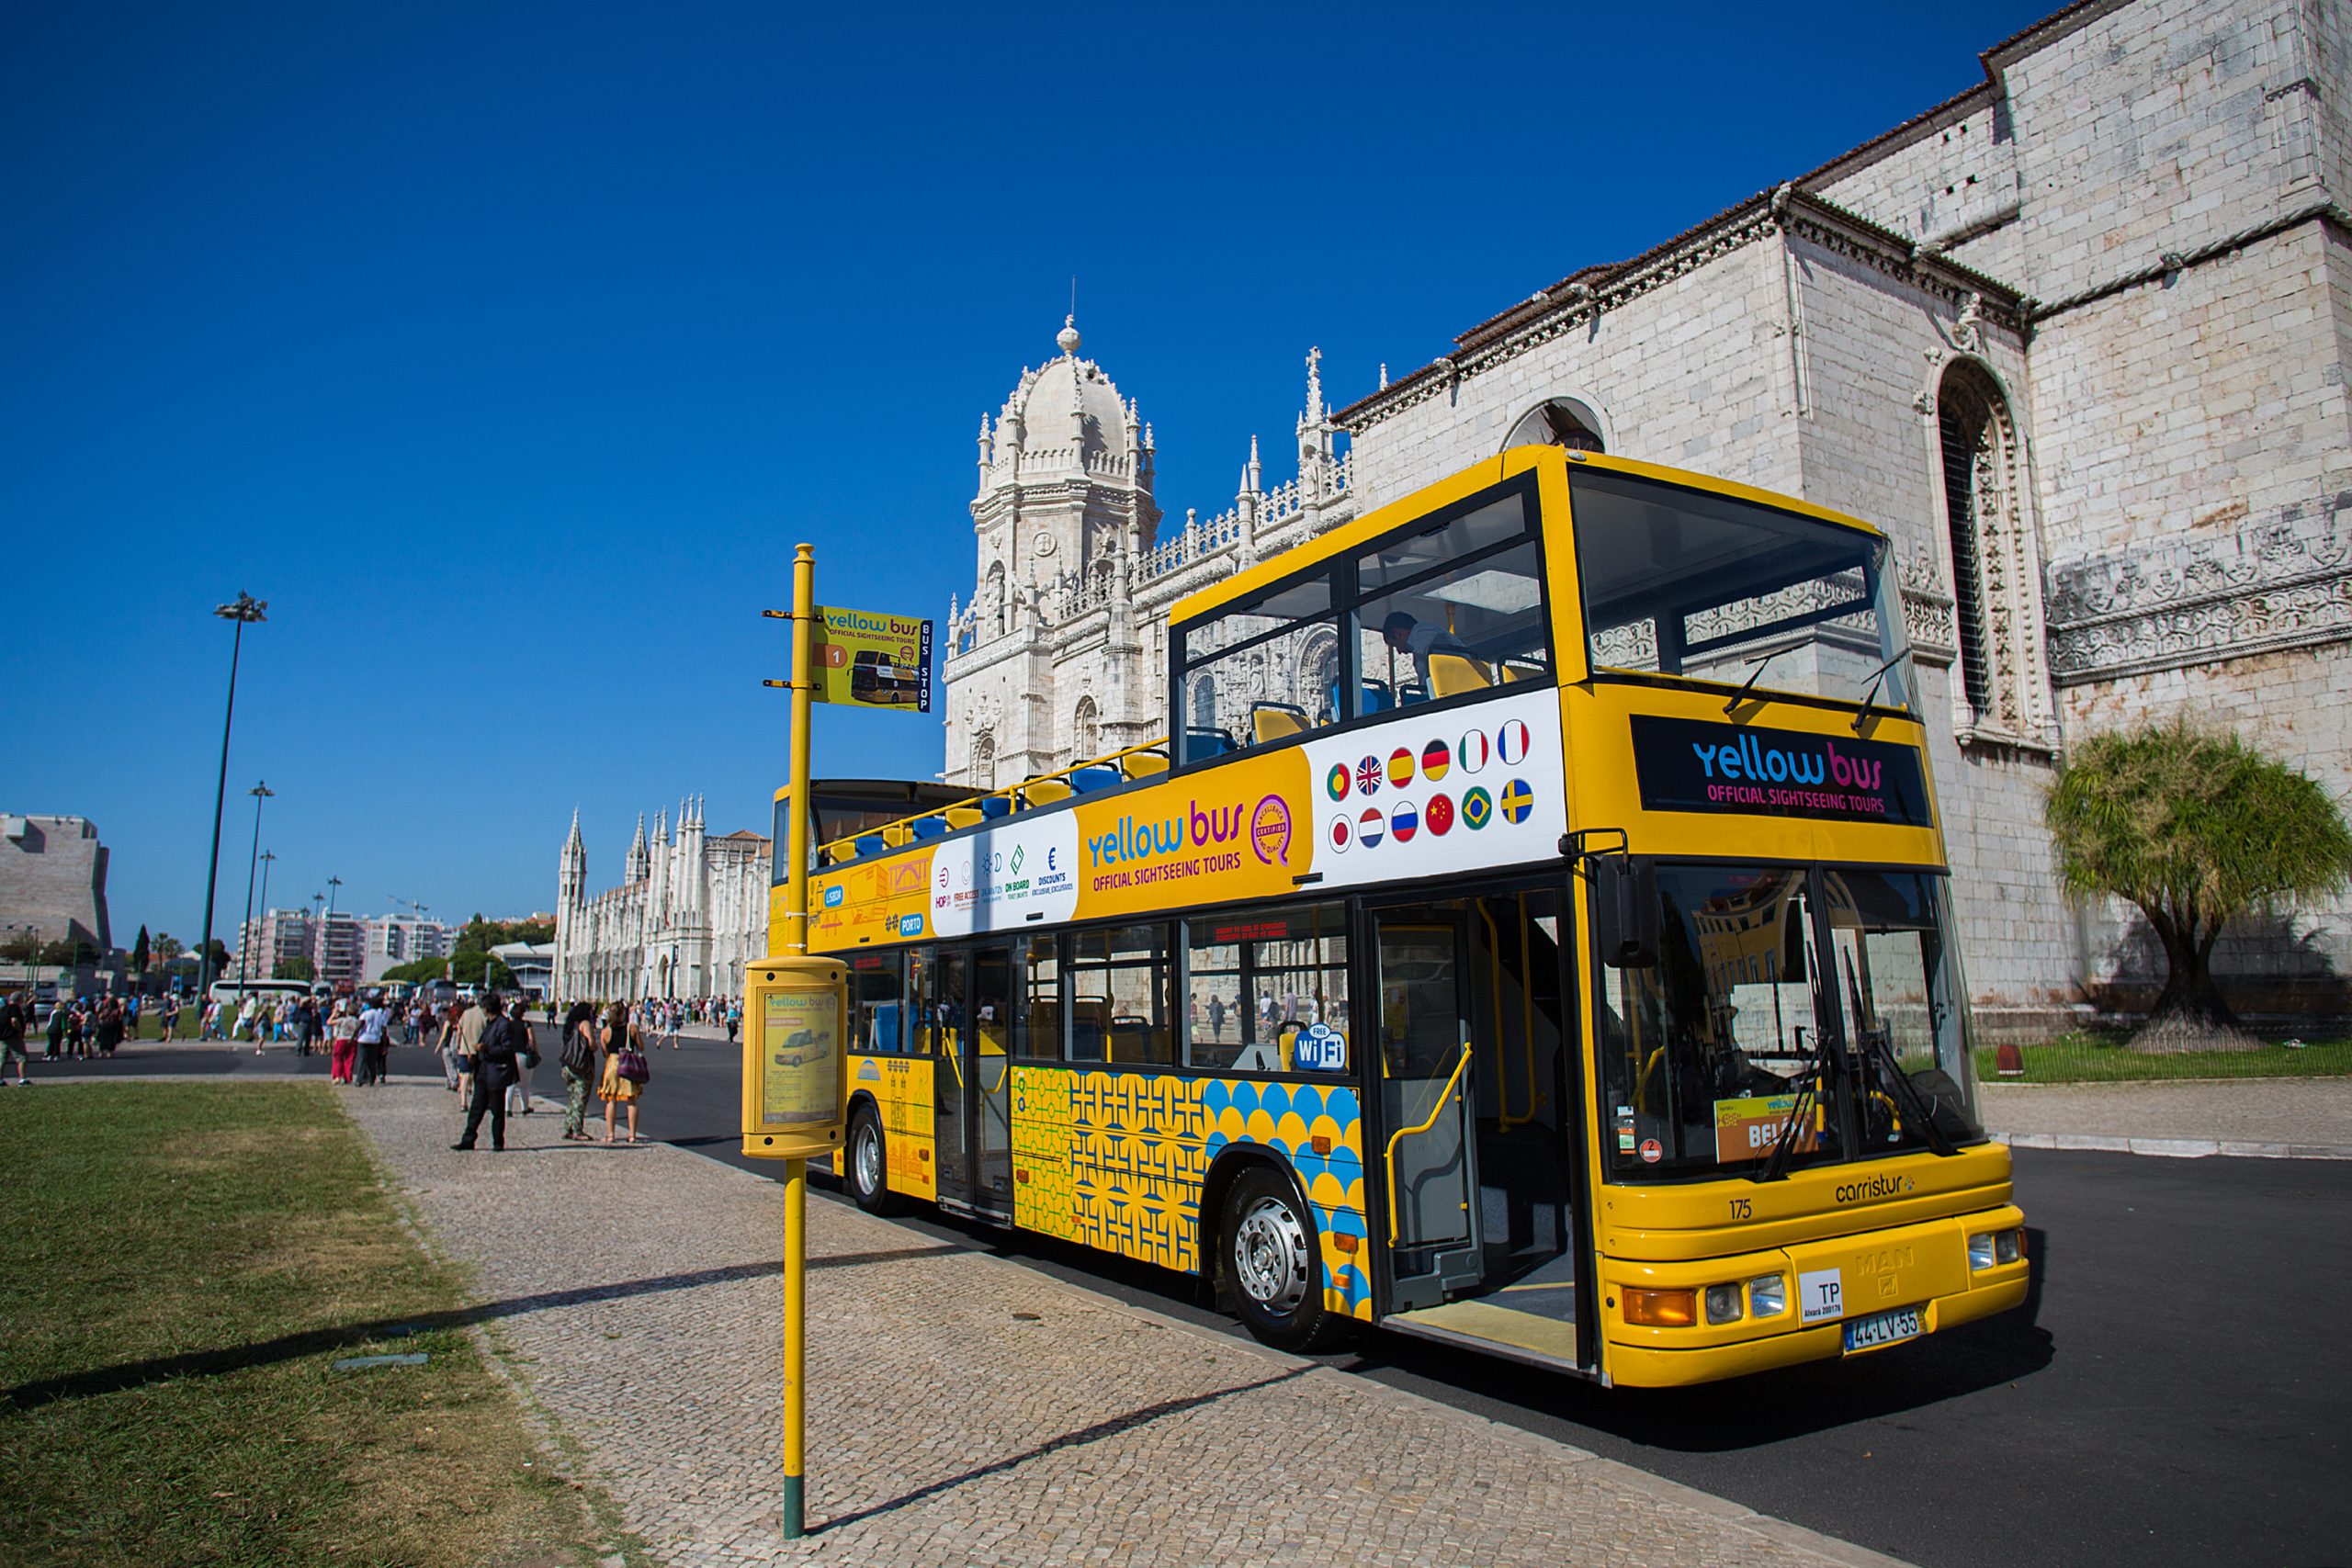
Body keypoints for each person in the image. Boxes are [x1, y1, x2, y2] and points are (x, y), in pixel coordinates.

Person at [452, 994, 521, 1152]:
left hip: (496, 1073)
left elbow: (507, 1049)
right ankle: (468, 1139)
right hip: (483, 1071)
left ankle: (498, 1142)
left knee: (497, 1110)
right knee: (476, 1108)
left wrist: (487, 1049)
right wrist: (475, 1056)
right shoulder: (490, 1024)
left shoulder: (503, 1024)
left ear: (487, 1008)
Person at [1381, 610, 1471, 694]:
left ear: (1398, 634)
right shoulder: (1428, 633)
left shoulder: (1424, 637)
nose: (1399, 652)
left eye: (1394, 645)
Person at [598, 1000, 643, 1145]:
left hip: (612, 1063)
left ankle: (611, 1135)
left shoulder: (605, 1032)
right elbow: (641, 1046)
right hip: (627, 1063)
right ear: (623, 1013)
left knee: (611, 1100)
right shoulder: (632, 1028)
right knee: (632, 1100)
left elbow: (604, 1052)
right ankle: (632, 1135)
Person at [558, 1002, 599, 1141]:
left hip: (568, 1064)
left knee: (572, 1098)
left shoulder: (570, 1025)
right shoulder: (584, 1023)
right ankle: (577, 1130)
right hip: (581, 1065)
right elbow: (592, 1044)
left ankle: (568, 1126)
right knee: (581, 1098)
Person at [453, 992, 490, 1110]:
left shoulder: (466, 1013)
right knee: (478, 1077)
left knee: (465, 1076)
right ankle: (478, 1101)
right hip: (478, 1050)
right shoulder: (484, 1016)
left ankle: (463, 1102)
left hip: (465, 1049)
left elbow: (459, 1031)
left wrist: (458, 1045)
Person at [356, 994, 391, 1088]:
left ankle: (360, 1078)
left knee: (363, 1059)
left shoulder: (365, 1014)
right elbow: (384, 1030)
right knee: (372, 1060)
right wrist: (384, 1044)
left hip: (364, 1038)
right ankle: (371, 1078)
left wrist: (353, 1037)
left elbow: (360, 1025)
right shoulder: (380, 1015)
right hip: (375, 1039)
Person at [506, 1005, 537, 1116]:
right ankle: (525, 1107)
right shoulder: (526, 1024)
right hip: (523, 1055)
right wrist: (535, 1052)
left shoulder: (508, 1025)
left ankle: (508, 1109)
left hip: (511, 1056)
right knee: (524, 1084)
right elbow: (531, 1040)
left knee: (511, 1084)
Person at [327, 1000, 360, 1084]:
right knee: (350, 1059)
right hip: (352, 1040)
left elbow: (329, 1022)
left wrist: (334, 1014)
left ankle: (338, 1075)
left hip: (342, 1039)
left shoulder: (343, 1020)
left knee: (338, 1058)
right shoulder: (357, 1021)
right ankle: (348, 1077)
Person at [1, 992, 29, 1086]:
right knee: (22, 1057)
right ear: (19, 999)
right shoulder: (15, 1008)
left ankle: (0, 1080)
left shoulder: (3, 1009)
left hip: (3, 1036)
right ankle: (22, 1079)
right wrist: (19, 1030)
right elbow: (14, 1020)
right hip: (13, 1035)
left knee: (2, 1058)